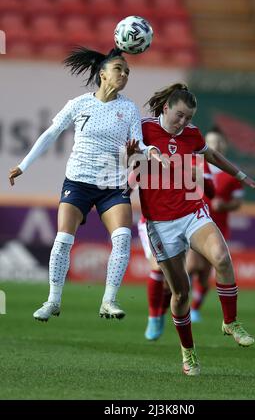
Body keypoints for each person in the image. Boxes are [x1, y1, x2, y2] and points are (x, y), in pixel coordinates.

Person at [8, 46, 160, 322]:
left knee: (123, 238)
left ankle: (109, 301)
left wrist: (145, 151)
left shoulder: (128, 108)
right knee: (64, 239)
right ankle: (53, 301)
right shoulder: (79, 104)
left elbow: (138, 146)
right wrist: (23, 165)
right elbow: (50, 134)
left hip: (112, 186)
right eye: (118, 69)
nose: (124, 75)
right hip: (78, 182)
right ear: (102, 74)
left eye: (127, 71)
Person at [130, 82, 255, 376]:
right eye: (179, 115)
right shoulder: (142, 128)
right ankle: (188, 353)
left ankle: (230, 321)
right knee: (180, 294)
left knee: (221, 257)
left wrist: (243, 176)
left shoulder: (192, 135)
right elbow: (127, 161)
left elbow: (213, 157)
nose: (184, 122)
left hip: (192, 211)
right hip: (159, 224)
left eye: (189, 117)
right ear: (166, 108)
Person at [139, 158, 215, 341]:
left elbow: (211, 192)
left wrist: (198, 178)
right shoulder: (153, 152)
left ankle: (162, 310)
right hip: (152, 222)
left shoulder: (196, 159)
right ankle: (154, 317)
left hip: (183, 223)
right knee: (157, 267)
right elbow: (132, 178)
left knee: (172, 282)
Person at [188, 126, 245, 323]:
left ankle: (194, 307)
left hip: (219, 228)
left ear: (225, 145)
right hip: (194, 224)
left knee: (205, 274)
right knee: (192, 265)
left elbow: (237, 202)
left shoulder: (232, 173)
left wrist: (225, 205)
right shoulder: (194, 163)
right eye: (211, 142)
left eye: (219, 142)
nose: (215, 145)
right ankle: (181, 302)